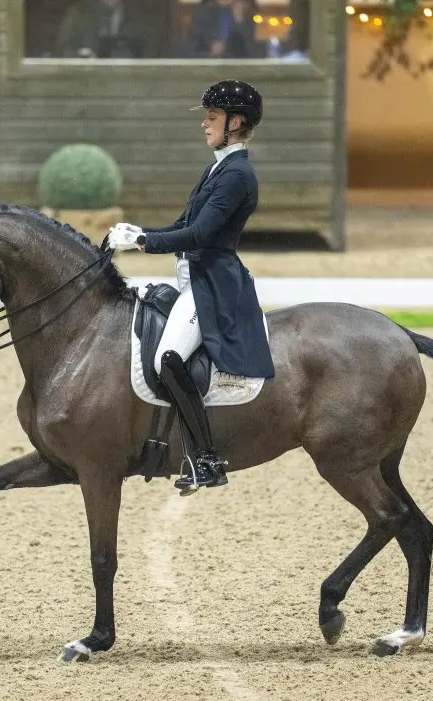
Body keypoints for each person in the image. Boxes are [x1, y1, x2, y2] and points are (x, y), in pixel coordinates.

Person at [107, 79, 275, 493]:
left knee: (168, 357)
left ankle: (206, 459)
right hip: (192, 279)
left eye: (212, 118)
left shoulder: (237, 175)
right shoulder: (217, 168)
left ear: (235, 123)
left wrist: (144, 242)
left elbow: (199, 235)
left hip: (212, 286)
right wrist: (140, 232)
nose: (204, 124)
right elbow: (183, 226)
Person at [54, 0, 152, 59]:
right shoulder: (79, 14)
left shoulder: (138, 18)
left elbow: (150, 54)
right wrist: (82, 57)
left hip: (126, 83)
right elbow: (62, 50)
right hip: (86, 82)